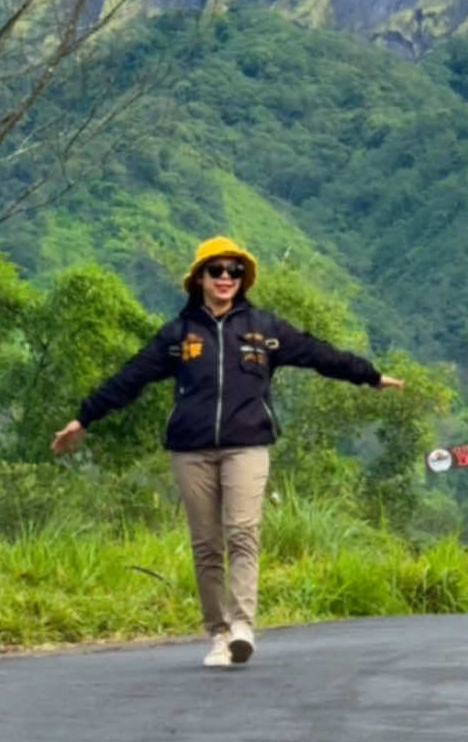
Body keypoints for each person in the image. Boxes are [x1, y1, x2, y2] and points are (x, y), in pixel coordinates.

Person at [51, 235, 403, 668]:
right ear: (198, 278)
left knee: (242, 534)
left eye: (233, 271)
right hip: (190, 451)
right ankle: (217, 634)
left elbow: (318, 353)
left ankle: (242, 627)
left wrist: (369, 375)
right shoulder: (179, 335)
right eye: (215, 270)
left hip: (247, 446)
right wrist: (83, 418)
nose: (224, 278)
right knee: (205, 545)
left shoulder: (264, 329)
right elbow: (131, 377)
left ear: (243, 279)